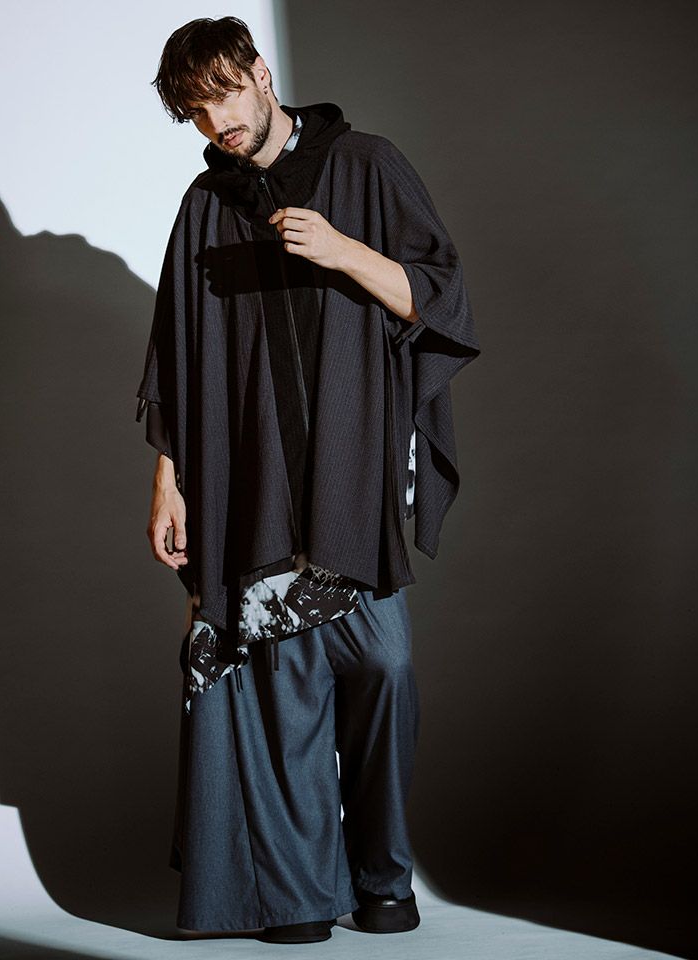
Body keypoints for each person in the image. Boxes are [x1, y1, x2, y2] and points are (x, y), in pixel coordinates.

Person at [135, 15, 480, 945]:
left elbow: (441, 296)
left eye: (223, 95)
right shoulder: (206, 203)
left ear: (260, 72)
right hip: (249, 481)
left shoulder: (366, 165)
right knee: (282, 681)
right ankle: (297, 895)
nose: (216, 123)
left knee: (384, 666)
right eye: (195, 112)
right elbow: (178, 355)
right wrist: (171, 479)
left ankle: (382, 871)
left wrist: (343, 252)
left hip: (348, 472)